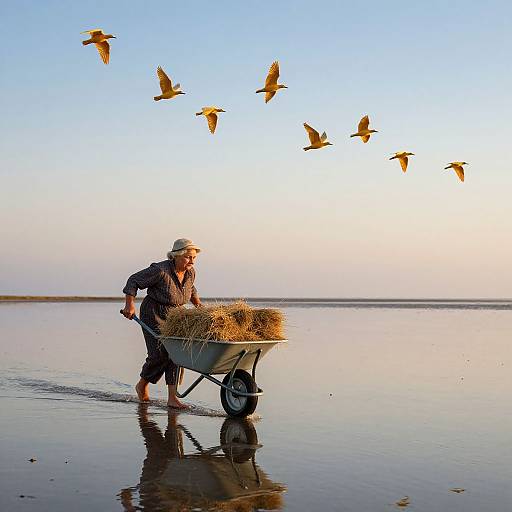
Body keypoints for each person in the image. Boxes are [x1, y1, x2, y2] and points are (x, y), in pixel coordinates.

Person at [121, 238, 202, 408]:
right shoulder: (160, 270)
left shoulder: (190, 272)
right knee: (159, 354)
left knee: (176, 353)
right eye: (188, 257)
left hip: (176, 316)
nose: (192, 261)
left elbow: (191, 288)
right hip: (154, 313)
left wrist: (199, 306)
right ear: (176, 256)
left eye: (194, 257)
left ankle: (172, 398)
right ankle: (142, 385)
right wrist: (130, 305)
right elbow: (133, 280)